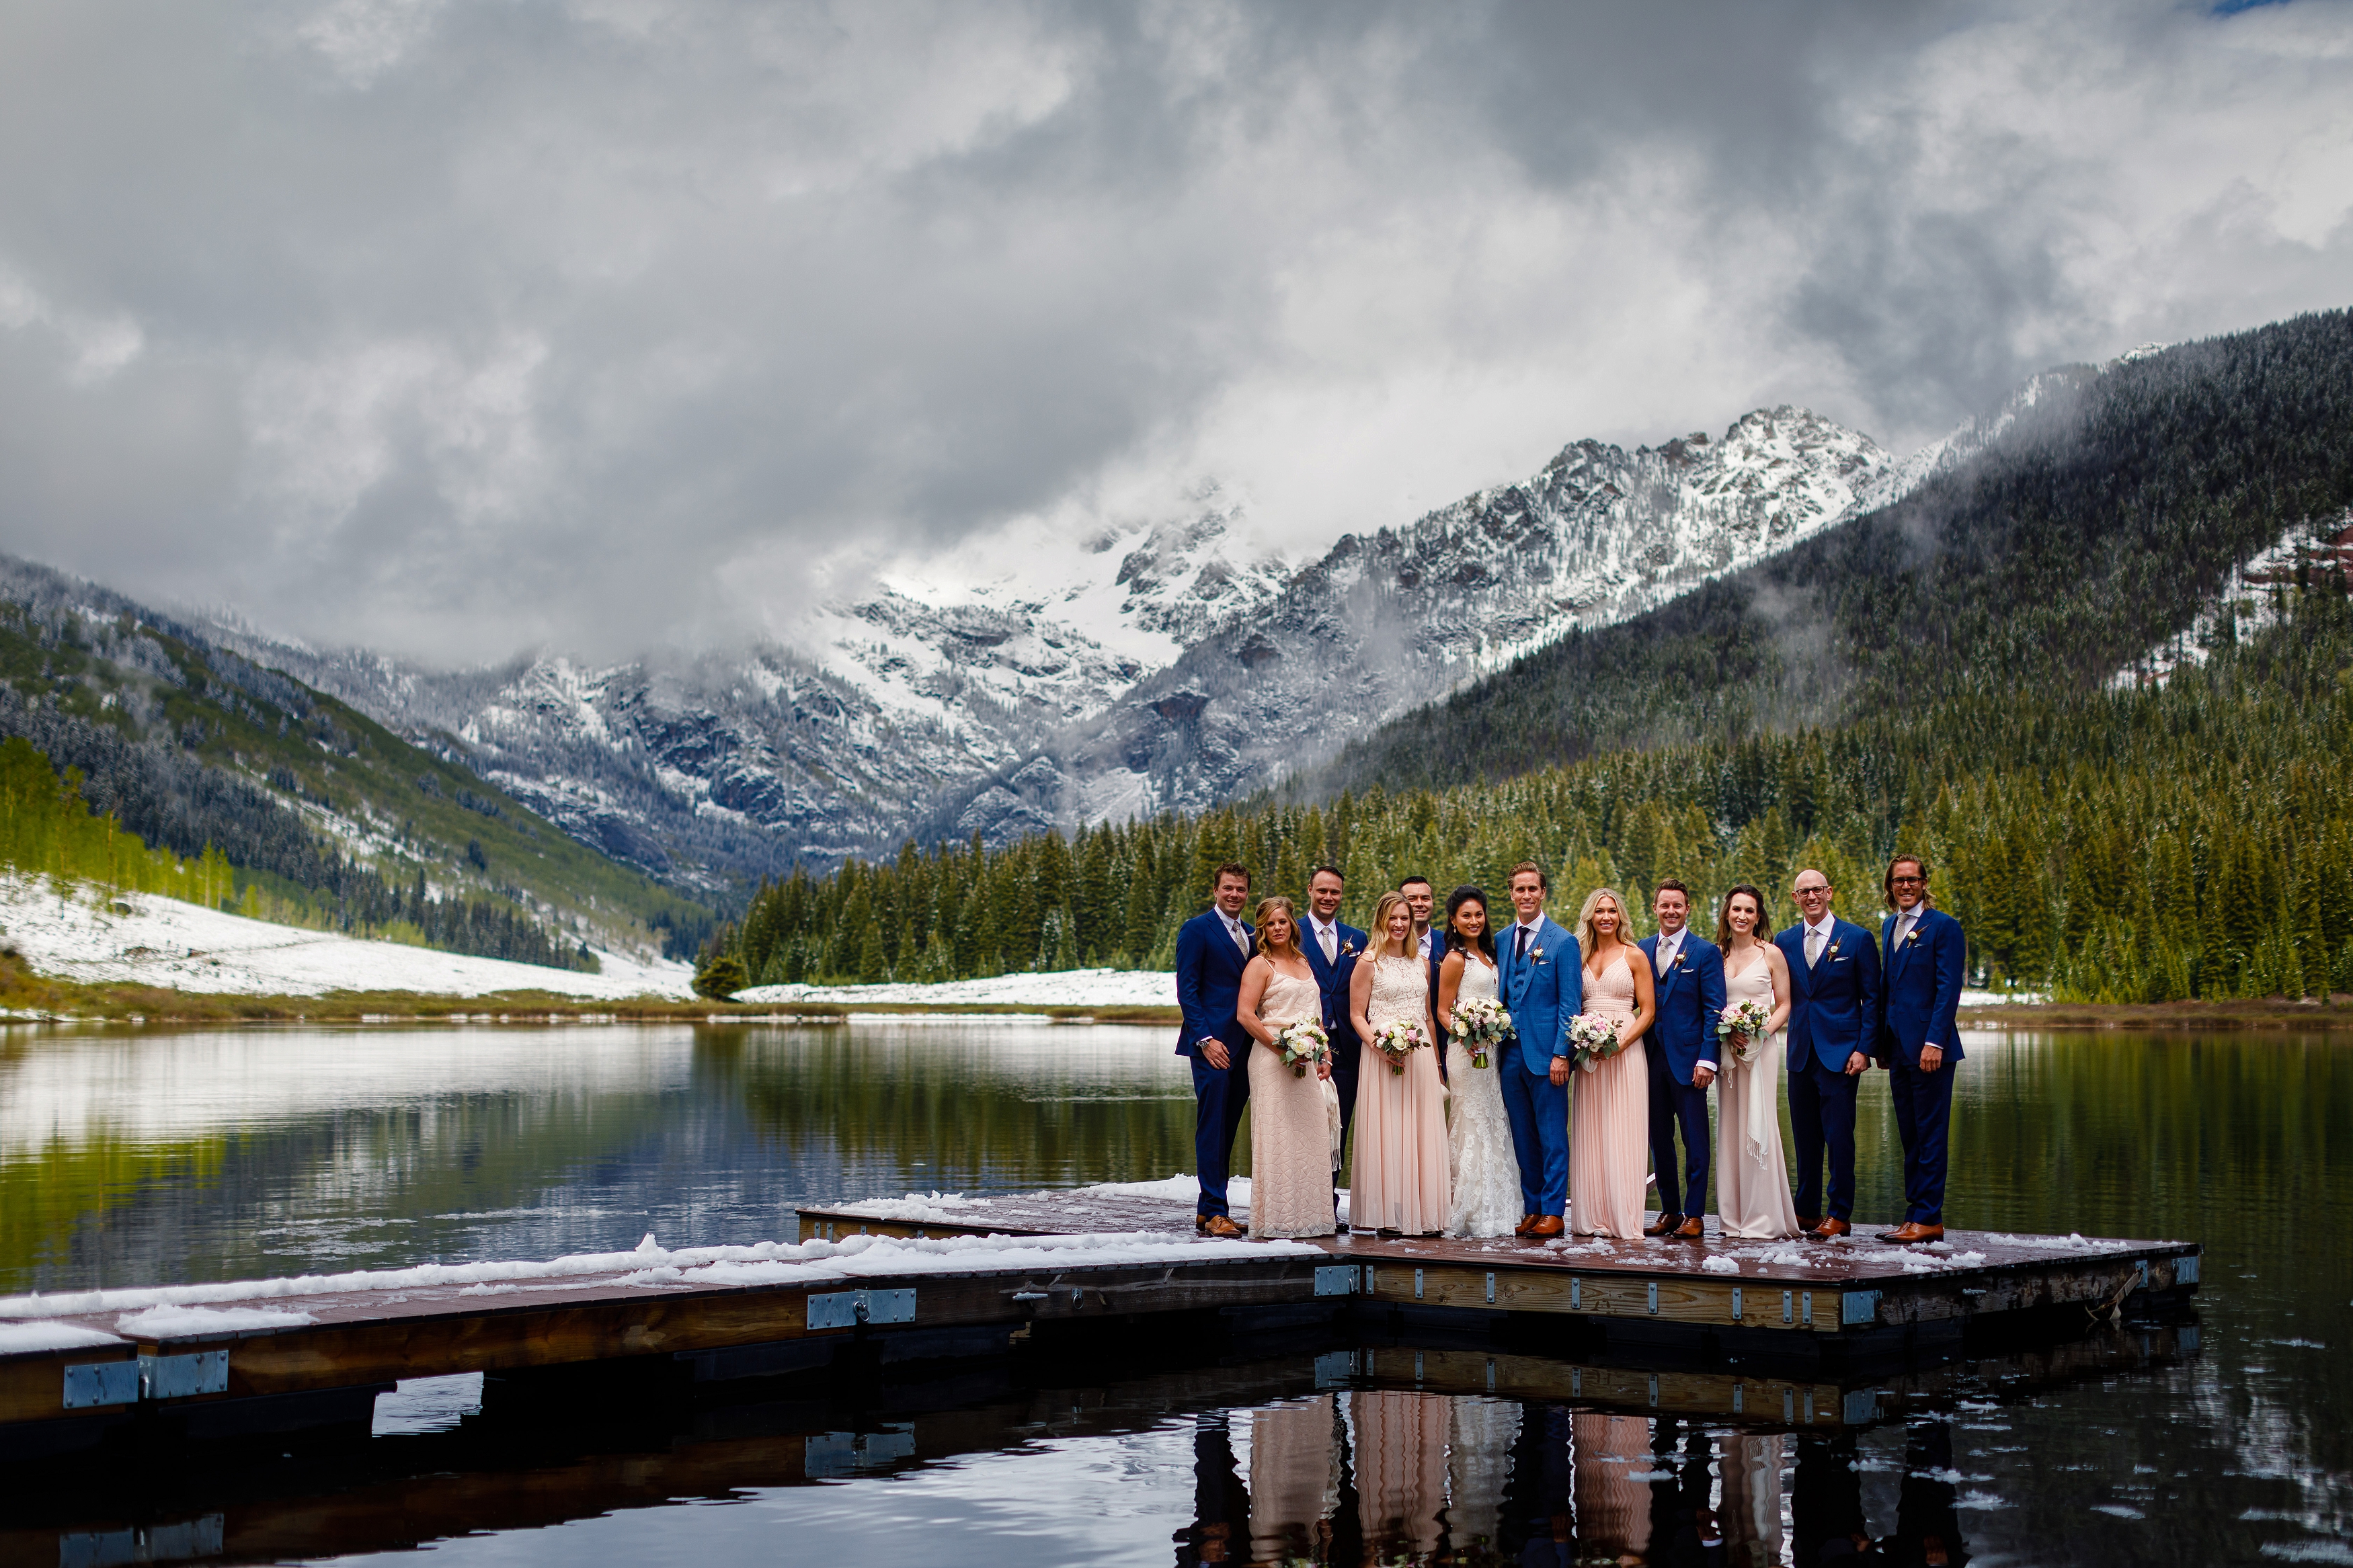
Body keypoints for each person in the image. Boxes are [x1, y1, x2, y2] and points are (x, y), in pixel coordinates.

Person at [1773, 867, 1883, 1241]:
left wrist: (1864, 1048)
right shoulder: (1784, 941)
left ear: (1830, 892)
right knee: (1804, 1138)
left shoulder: (1857, 939)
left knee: (1839, 1137)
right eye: (1803, 892)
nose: (1811, 897)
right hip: (1799, 1051)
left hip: (1841, 1054)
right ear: (1795, 898)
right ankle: (1805, 1211)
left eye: (1817, 890)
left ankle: (1839, 1213)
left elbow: (1872, 999)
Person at [1876, 854, 1966, 1245]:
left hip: (1932, 1049)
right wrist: (1881, 1043)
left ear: (1924, 884)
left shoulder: (1943, 927)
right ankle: (1915, 1214)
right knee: (1910, 1134)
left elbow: (1948, 990)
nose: (1906, 886)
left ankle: (1929, 1216)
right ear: (1890, 887)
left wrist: (1935, 1041)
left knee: (1931, 1133)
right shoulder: (1889, 926)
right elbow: (1888, 988)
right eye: (1899, 881)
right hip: (1898, 1047)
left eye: (1913, 880)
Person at [1235, 895, 1338, 1239]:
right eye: (1270, 924)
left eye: (1283, 922)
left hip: (1306, 1056)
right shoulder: (1260, 965)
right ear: (1262, 929)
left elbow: (1316, 1015)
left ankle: (1312, 1218)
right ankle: (1277, 1220)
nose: (1278, 928)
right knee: (1277, 1138)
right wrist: (1279, 1046)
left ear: (1292, 924)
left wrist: (1324, 1054)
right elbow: (1246, 1015)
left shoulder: (1304, 961)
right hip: (1271, 1058)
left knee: (1310, 1138)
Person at [1347, 891, 1448, 1235]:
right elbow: (1356, 1016)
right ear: (1381, 921)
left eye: (1405, 918)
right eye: (1393, 918)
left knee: (1421, 1130)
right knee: (1389, 1129)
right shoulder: (1368, 961)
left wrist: (1436, 1064)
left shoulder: (1422, 964)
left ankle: (1424, 1215)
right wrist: (1380, 1047)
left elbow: (1429, 1017)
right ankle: (1389, 1216)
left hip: (1419, 1055)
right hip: (1382, 1055)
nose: (1400, 924)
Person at [1637, 879, 1725, 1240]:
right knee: (1659, 1139)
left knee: (1695, 1141)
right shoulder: (1641, 950)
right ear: (1655, 908)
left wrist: (1708, 1059)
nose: (1670, 911)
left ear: (1688, 909)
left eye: (1678, 905)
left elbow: (1714, 1011)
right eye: (1664, 905)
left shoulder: (1705, 952)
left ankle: (1695, 1214)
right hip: (1649, 1059)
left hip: (1689, 1062)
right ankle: (1670, 1211)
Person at [1497, 861, 1581, 1239]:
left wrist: (1562, 1053)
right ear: (1511, 893)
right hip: (1509, 1054)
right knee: (1523, 1135)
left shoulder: (1563, 941)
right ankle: (1531, 1208)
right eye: (1520, 889)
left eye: (1533, 889)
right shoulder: (1500, 939)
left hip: (1547, 1055)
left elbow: (1570, 1004)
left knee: (1551, 1135)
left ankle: (1553, 1210)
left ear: (1543, 893)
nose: (1526, 896)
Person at [1714, 884, 1800, 1239]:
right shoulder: (1716, 955)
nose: (1742, 916)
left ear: (1759, 916)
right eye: (1736, 909)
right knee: (1730, 1128)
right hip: (1728, 1053)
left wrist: (1759, 1031)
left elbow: (1785, 1004)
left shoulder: (1771, 954)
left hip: (1761, 1049)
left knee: (1759, 1123)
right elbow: (1712, 1004)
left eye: (1749, 910)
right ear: (1727, 913)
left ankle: (1763, 1217)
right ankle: (1733, 1218)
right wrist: (1727, 1031)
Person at [1568, 886, 1656, 1237]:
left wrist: (1620, 1045)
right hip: (1588, 1053)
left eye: (1613, 911)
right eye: (1600, 911)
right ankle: (1591, 1217)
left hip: (1625, 1052)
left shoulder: (1634, 956)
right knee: (1592, 1129)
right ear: (1590, 916)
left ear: (1621, 916)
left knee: (1624, 1128)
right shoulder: (1578, 955)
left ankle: (1624, 1215)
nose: (1606, 917)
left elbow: (1648, 1011)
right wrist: (1583, 1041)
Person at [1174, 862, 1255, 1237]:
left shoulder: (1253, 935)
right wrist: (1204, 1040)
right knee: (1212, 1127)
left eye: (1240, 889)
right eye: (1228, 888)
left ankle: (1208, 1211)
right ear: (1216, 891)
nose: (1234, 894)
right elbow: (1187, 990)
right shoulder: (1196, 930)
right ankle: (1217, 1210)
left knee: (1227, 1128)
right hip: (1213, 1048)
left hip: (1246, 1047)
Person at [1434, 885, 1519, 1237]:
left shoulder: (1490, 955)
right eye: (1466, 915)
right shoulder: (1456, 960)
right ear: (1453, 920)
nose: (1474, 921)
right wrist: (1468, 1034)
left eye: (1479, 914)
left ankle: (1496, 1205)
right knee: (1471, 1120)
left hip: (1492, 1049)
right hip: (1466, 1052)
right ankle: (1464, 1206)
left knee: (1494, 1120)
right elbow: (1442, 1010)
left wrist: (1489, 1031)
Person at [1300, 865, 1366, 1153]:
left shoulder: (1358, 938)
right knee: (1305, 1125)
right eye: (1322, 890)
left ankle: (1331, 1197)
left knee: (1339, 1124)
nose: (1328, 897)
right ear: (1310, 891)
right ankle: (1308, 1195)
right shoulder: (1291, 931)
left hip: (1348, 1046)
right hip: (1303, 1044)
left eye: (1335, 892)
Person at [1400, 876, 1439, 960]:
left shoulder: (1448, 943)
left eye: (1425, 899)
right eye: (1412, 899)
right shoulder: (1385, 945)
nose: (1420, 904)